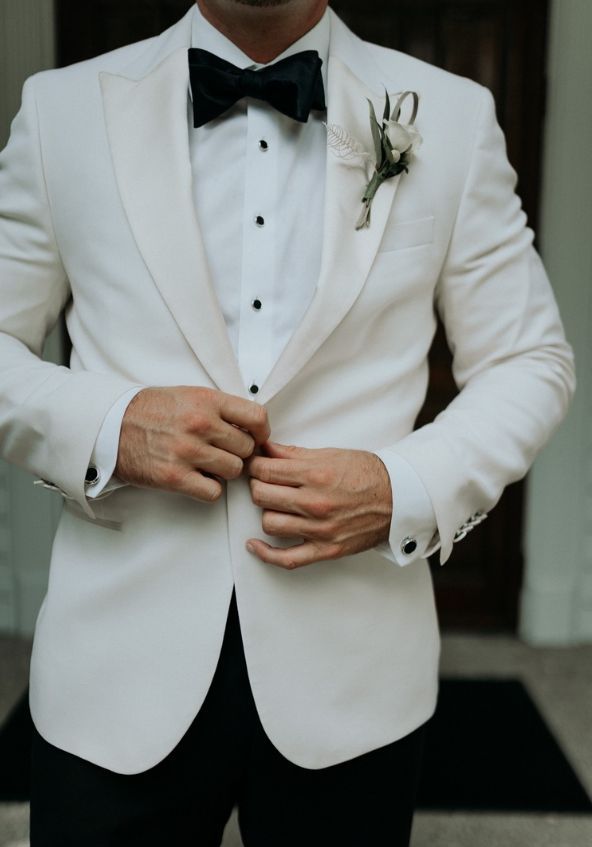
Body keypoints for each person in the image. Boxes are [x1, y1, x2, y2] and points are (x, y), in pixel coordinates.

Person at [0, 0, 575, 844]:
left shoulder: (448, 115)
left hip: (354, 680)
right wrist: (109, 425)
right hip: (115, 675)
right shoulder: (61, 110)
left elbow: (532, 360)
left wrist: (399, 486)